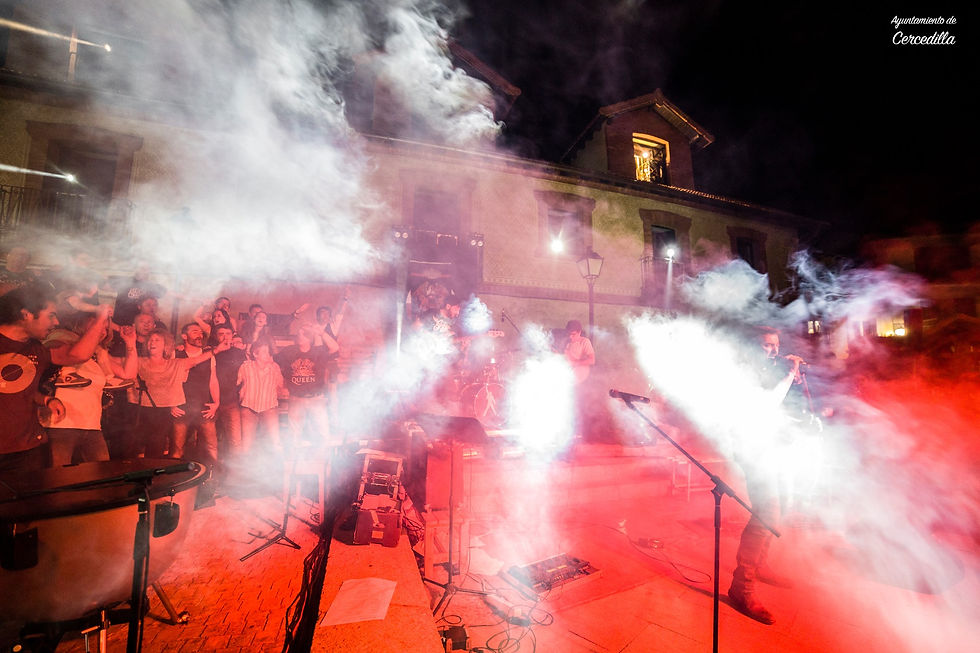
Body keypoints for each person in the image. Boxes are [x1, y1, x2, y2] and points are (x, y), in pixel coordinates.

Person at [727, 326, 805, 625]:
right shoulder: (742, 371)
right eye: (766, 345)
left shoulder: (767, 369)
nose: (773, 351)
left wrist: (794, 379)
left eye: (776, 345)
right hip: (752, 450)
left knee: (781, 506)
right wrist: (789, 375)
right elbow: (766, 403)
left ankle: (759, 564)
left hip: (772, 447)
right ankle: (742, 586)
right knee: (766, 514)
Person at [0, 284, 112, 473]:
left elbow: (78, 355)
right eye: (51, 315)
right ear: (26, 314)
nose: (56, 321)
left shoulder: (37, 349)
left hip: (27, 448)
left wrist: (46, 399)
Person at [42, 315, 139, 466]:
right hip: (60, 426)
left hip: (92, 427)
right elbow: (51, 348)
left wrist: (130, 343)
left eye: (106, 328)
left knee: (100, 474)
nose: (103, 331)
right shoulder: (63, 341)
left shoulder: (99, 355)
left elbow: (129, 374)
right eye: (98, 325)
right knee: (59, 476)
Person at [132, 327, 228, 459]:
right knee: (177, 448)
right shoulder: (175, 354)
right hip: (181, 408)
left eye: (201, 332)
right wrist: (171, 404)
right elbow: (167, 380)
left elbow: (213, 380)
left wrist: (216, 403)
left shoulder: (209, 356)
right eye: (195, 331)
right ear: (184, 336)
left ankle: (212, 471)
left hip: (203, 407)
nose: (199, 335)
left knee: (211, 446)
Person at [276, 324, 338, 448]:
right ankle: (294, 458)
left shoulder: (318, 352)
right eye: (298, 334)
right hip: (296, 399)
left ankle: (320, 458)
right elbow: (272, 360)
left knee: (323, 434)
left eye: (303, 334)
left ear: (309, 338)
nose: (299, 336)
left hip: (316, 399)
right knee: (294, 436)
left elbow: (335, 348)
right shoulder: (289, 351)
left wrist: (321, 333)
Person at [238, 339, 285, 453]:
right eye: (264, 351)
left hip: (269, 409)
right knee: (247, 443)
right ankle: (245, 463)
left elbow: (280, 386)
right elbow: (236, 383)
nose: (268, 354)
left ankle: (277, 462)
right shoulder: (245, 367)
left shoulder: (274, 367)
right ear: (255, 354)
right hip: (249, 409)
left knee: (275, 441)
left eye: (268, 352)